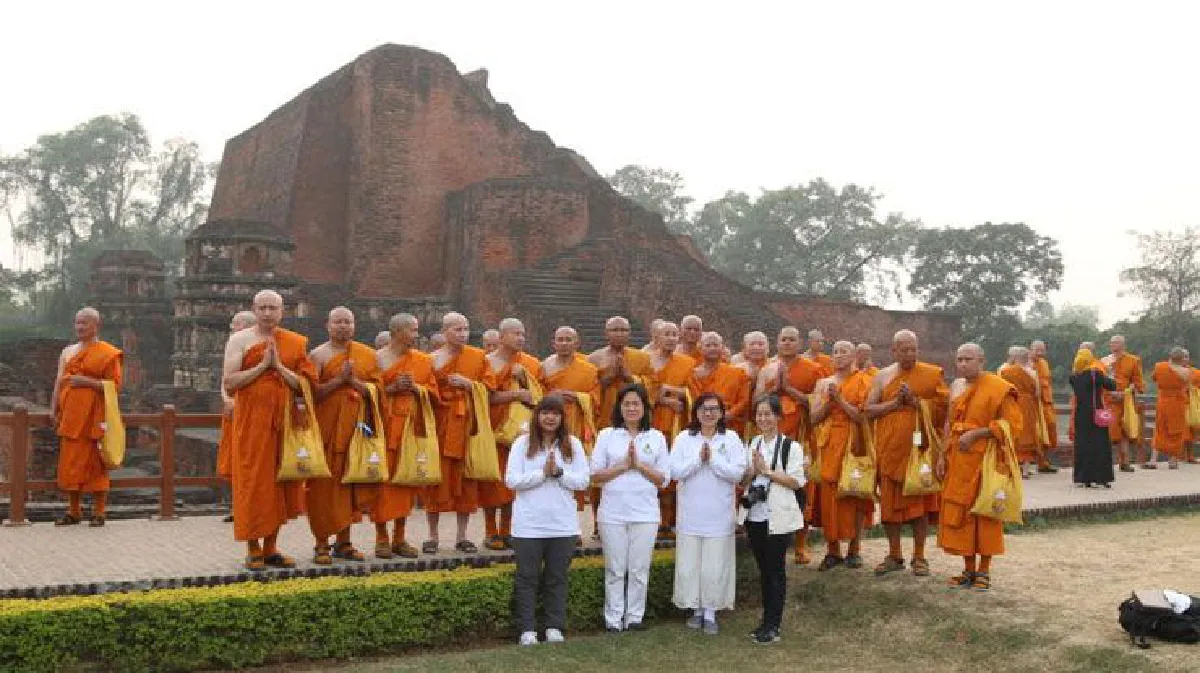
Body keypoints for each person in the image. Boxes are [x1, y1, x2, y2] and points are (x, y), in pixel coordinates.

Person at [222, 289, 313, 570]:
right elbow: (230, 382)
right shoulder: (240, 340)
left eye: (273, 308)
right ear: (254, 309)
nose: (267, 313)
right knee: (253, 484)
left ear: (282, 311)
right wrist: (263, 366)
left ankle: (271, 548)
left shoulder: (293, 343)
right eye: (262, 307)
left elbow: (304, 385)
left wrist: (279, 368)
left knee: (280, 485)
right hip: (251, 425)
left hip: (283, 423)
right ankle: (253, 549)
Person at [937, 343, 1023, 592]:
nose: (963, 364)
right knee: (961, 511)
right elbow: (948, 423)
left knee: (985, 512)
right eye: (959, 359)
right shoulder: (956, 386)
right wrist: (942, 455)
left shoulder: (998, 387)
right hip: (958, 458)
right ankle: (968, 569)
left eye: (968, 359)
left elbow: (1013, 425)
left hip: (986, 459)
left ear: (981, 361)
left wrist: (978, 434)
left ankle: (984, 571)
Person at [507, 395, 591, 646]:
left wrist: (559, 473)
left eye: (555, 413)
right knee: (527, 578)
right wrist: (541, 474)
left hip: (562, 525)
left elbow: (583, 481)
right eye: (545, 412)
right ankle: (527, 630)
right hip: (528, 525)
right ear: (537, 415)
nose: (550, 417)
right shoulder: (522, 445)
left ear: (562, 418)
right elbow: (512, 481)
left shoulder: (572, 445)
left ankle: (554, 626)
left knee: (557, 578)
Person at [863, 330, 947, 577]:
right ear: (894, 350)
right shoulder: (882, 376)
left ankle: (919, 556)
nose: (910, 354)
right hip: (889, 450)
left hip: (918, 453)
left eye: (914, 349)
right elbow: (868, 410)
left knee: (919, 506)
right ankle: (894, 554)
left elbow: (944, 411)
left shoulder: (931, 374)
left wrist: (916, 403)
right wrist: (895, 404)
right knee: (890, 509)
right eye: (904, 350)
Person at [590, 384, 670, 633]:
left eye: (636, 404)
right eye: (627, 404)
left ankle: (635, 617)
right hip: (612, 512)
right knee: (615, 567)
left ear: (645, 407)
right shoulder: (607, 435)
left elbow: (664, 479)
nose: (632, 408)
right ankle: (613, 619)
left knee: (638, 568)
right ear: (619, 408)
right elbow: (595, 476)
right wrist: (624, 466)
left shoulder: (656, 437)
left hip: (645, 513)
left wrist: (639, 466)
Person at [308, 307, 382, 563]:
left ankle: (344, 542)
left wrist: (354, 383)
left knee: (349, 487)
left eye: (347, 322)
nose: (343, 327)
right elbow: (311, 394)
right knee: (323, 491)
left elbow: (378, 392)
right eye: (338, 322)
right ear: (328, 325)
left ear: (354, 325)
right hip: (326, 433)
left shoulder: (367, 355)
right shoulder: (318, 355)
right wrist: (339, 380)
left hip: (356, 434)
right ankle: (321, 543)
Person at [669, 393, 746, 635]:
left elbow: (737, 473)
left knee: (715, 565)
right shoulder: (684, 438)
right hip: (691, 513)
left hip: (719, 514)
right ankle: (696, 610)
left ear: (722, 413)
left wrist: (713, 460)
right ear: (696, 412)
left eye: (714, 409)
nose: (709, 413)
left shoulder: (731, 438)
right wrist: (697, 460)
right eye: (704, 408)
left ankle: (711, 610)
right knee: (691, 564)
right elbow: (675, 471)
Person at [425, 312, 497, 553]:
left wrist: (469, 385)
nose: (463, 333)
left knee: (466, 482)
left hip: (467, 426)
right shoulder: (431, 359)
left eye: (466, 329)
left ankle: (462, 536)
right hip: (440, 426)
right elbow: (426, 393)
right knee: (436, 480)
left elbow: (490, 390)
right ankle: (432, 536)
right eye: (457, 329)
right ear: (445, 331)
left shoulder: (478, 358)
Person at [740, 395, 805, 644]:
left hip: (778, 517)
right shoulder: (753, 443)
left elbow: (796, 481)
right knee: (763, 570)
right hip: (755, 515)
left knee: (775, 571)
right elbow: (744, 481)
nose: (763, 419)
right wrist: (750, 473)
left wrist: (766, 471)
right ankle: (765, 622)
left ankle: (773, 625)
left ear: (779, 417)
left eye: (768, 414)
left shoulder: (791, 447)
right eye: (759, 414)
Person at [373, 313, 438, 558]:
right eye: (413, 330)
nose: (417, 334)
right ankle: (381, 538)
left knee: (406, 483)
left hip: (411, 431)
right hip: (384, 429)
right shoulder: (376, 359)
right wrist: (391, 388)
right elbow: (367, 393)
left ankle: (400, 537)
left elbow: (433, 392)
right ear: (397, 332)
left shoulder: (421, 361)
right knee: (382, 485)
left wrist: (415, 388)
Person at [756, 326, 824, 564]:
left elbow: (816, 403)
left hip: (801, 436)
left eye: (792, 339)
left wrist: (789, 390)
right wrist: (774, 389)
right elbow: (756, 401)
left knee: (802, 489)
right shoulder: (767, 369)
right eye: (783, 339)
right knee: (772, 487)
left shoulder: (813, 369)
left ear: (799, 342)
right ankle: (774, 543)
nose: (787, 343)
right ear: (777, 342)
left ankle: (801, 546)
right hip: (772, 438)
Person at [51, 307, 123, 527]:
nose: (80, 327)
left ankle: (99, 512)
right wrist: (53, 407)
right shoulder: (68, 352)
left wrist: (86, 382)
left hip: (94, 416)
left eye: (85, 323)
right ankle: (74, 511)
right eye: (77, 322)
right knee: (71, 463)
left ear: (96, 326)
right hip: (71, 416)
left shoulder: (108, 353)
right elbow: (59, 381)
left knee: (96, 464)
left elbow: (114, 386)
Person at [808, 341, 874, 570]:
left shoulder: (864, 380)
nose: (838, 356)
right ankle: (832, 551)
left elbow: (861, 416)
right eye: (835, 352)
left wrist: (840, 401)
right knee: (829, 497)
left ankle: (854, 551)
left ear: (855, 355)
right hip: (830, 443)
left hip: (855, 442)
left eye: (844, 351)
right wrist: (829, 402)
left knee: (854, 494)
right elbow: (814, 418)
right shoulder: (824, 383)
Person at [482, 318, 542, 550]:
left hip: (518, 431)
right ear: (502, 336)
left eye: (523, 334)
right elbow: (485, 397)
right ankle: (490, 531)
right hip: (493, 429)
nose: (521, 338)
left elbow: (537, 396)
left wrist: (525, 379)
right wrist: (515, 395)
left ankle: (507, 530)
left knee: (513, 480)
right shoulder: (488, 363)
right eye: (516, 334)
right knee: (493, 481)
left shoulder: (529, 364)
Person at [539, 327, 600, 527]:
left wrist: (576, 396)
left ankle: (572, 527)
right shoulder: (545, 367)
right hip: (548, 427)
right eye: (560, 340)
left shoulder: (588, 370)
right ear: (553, 343)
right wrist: (552, 396)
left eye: (569, 340)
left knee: (573, 475)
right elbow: (537, 396)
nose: (564, 343)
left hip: (575, 428)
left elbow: (595, 399)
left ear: (577, 343)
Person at [648, 321, 694, 539]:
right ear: (656, 337)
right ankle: (652, 519)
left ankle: (669, 521)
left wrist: (670, 390)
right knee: (652, 469)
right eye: (666, 334)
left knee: (674, 471)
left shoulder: (687, 363)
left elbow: (693, 391)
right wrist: (665, 399)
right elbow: (642, 390)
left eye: (675, 334)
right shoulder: (647, 361)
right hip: (652, 422)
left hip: (677, 425)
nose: (671, 338)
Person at [217, 310, 256, 523]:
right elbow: (226, 381)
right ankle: (237, 506)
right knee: (235, 463)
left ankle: (251, 508)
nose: (232, 328)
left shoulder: (258, 345)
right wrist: (228, 400)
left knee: (252, 462)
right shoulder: (233, 345)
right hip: (235, 410)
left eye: (236, 324)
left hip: (253, 412)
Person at [1068, 349, 1115, 487]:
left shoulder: (1074, 376)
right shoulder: (1096, 374)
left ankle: (1083, 478)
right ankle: (1101, 477)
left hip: (1081, 414)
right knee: (1100, 444)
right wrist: (1109, 372)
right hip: (1096, 413)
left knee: (1082, 444)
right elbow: (1112, 386)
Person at [689, 332, 751, 437]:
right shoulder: (693, 375)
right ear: (700, 349)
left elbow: (744, 400)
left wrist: (730, 413)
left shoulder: (737, 373)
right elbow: (694, 399)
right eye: (708, 345)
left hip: (730, 424)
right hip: (703, 424)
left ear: (722, 349)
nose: (712, 348)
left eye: (716, 345)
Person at [998, 346, 1045, 478]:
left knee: (1013, 433)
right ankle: (1025, 470)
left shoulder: (1006, 371)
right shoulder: (1032, 372)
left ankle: (1012, 467)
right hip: (1028, 405)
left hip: (1012, 403)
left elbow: (1001, 390)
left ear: (1014, 357)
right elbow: (1037, 393)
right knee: (1028, 434)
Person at [1100, 335, 1145, 471]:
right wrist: (1110, 393)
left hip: (1125, 402)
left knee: (1125, 431)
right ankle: (1103, 463)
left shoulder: (1133, 360)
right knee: (1105, 431)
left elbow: (1137, 382)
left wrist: (1125, 392)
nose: (1114, 345)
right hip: (1107, 401)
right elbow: (1100, 381)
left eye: (1117, 343)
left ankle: (1124, 462)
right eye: (1112, 343)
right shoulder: (1103, 361)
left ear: (1123, 345)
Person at [1151, 348, 1192, 470]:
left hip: (1163, 401)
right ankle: (1173, 460)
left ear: (1170, 356)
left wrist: (1168, 364)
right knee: (1176, 430)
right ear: (1181, 359)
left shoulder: (1160, 366)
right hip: (1177, 403)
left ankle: (1153, 460)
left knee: (1159, 429)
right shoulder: (1186, 371)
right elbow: (1187, 384)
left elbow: (1154, 378)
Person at [1029, 340, 1059, 473]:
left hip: (1046, 401)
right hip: (1033, 402)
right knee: (1035, 433)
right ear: (1031, 349)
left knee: (1050, 428)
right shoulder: (1027, 364)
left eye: (1042, 350)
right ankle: (1031, 463)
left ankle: (1044, 462)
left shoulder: (1044, 363)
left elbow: (1048, 382)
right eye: (1037, 350)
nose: (1040, 353)